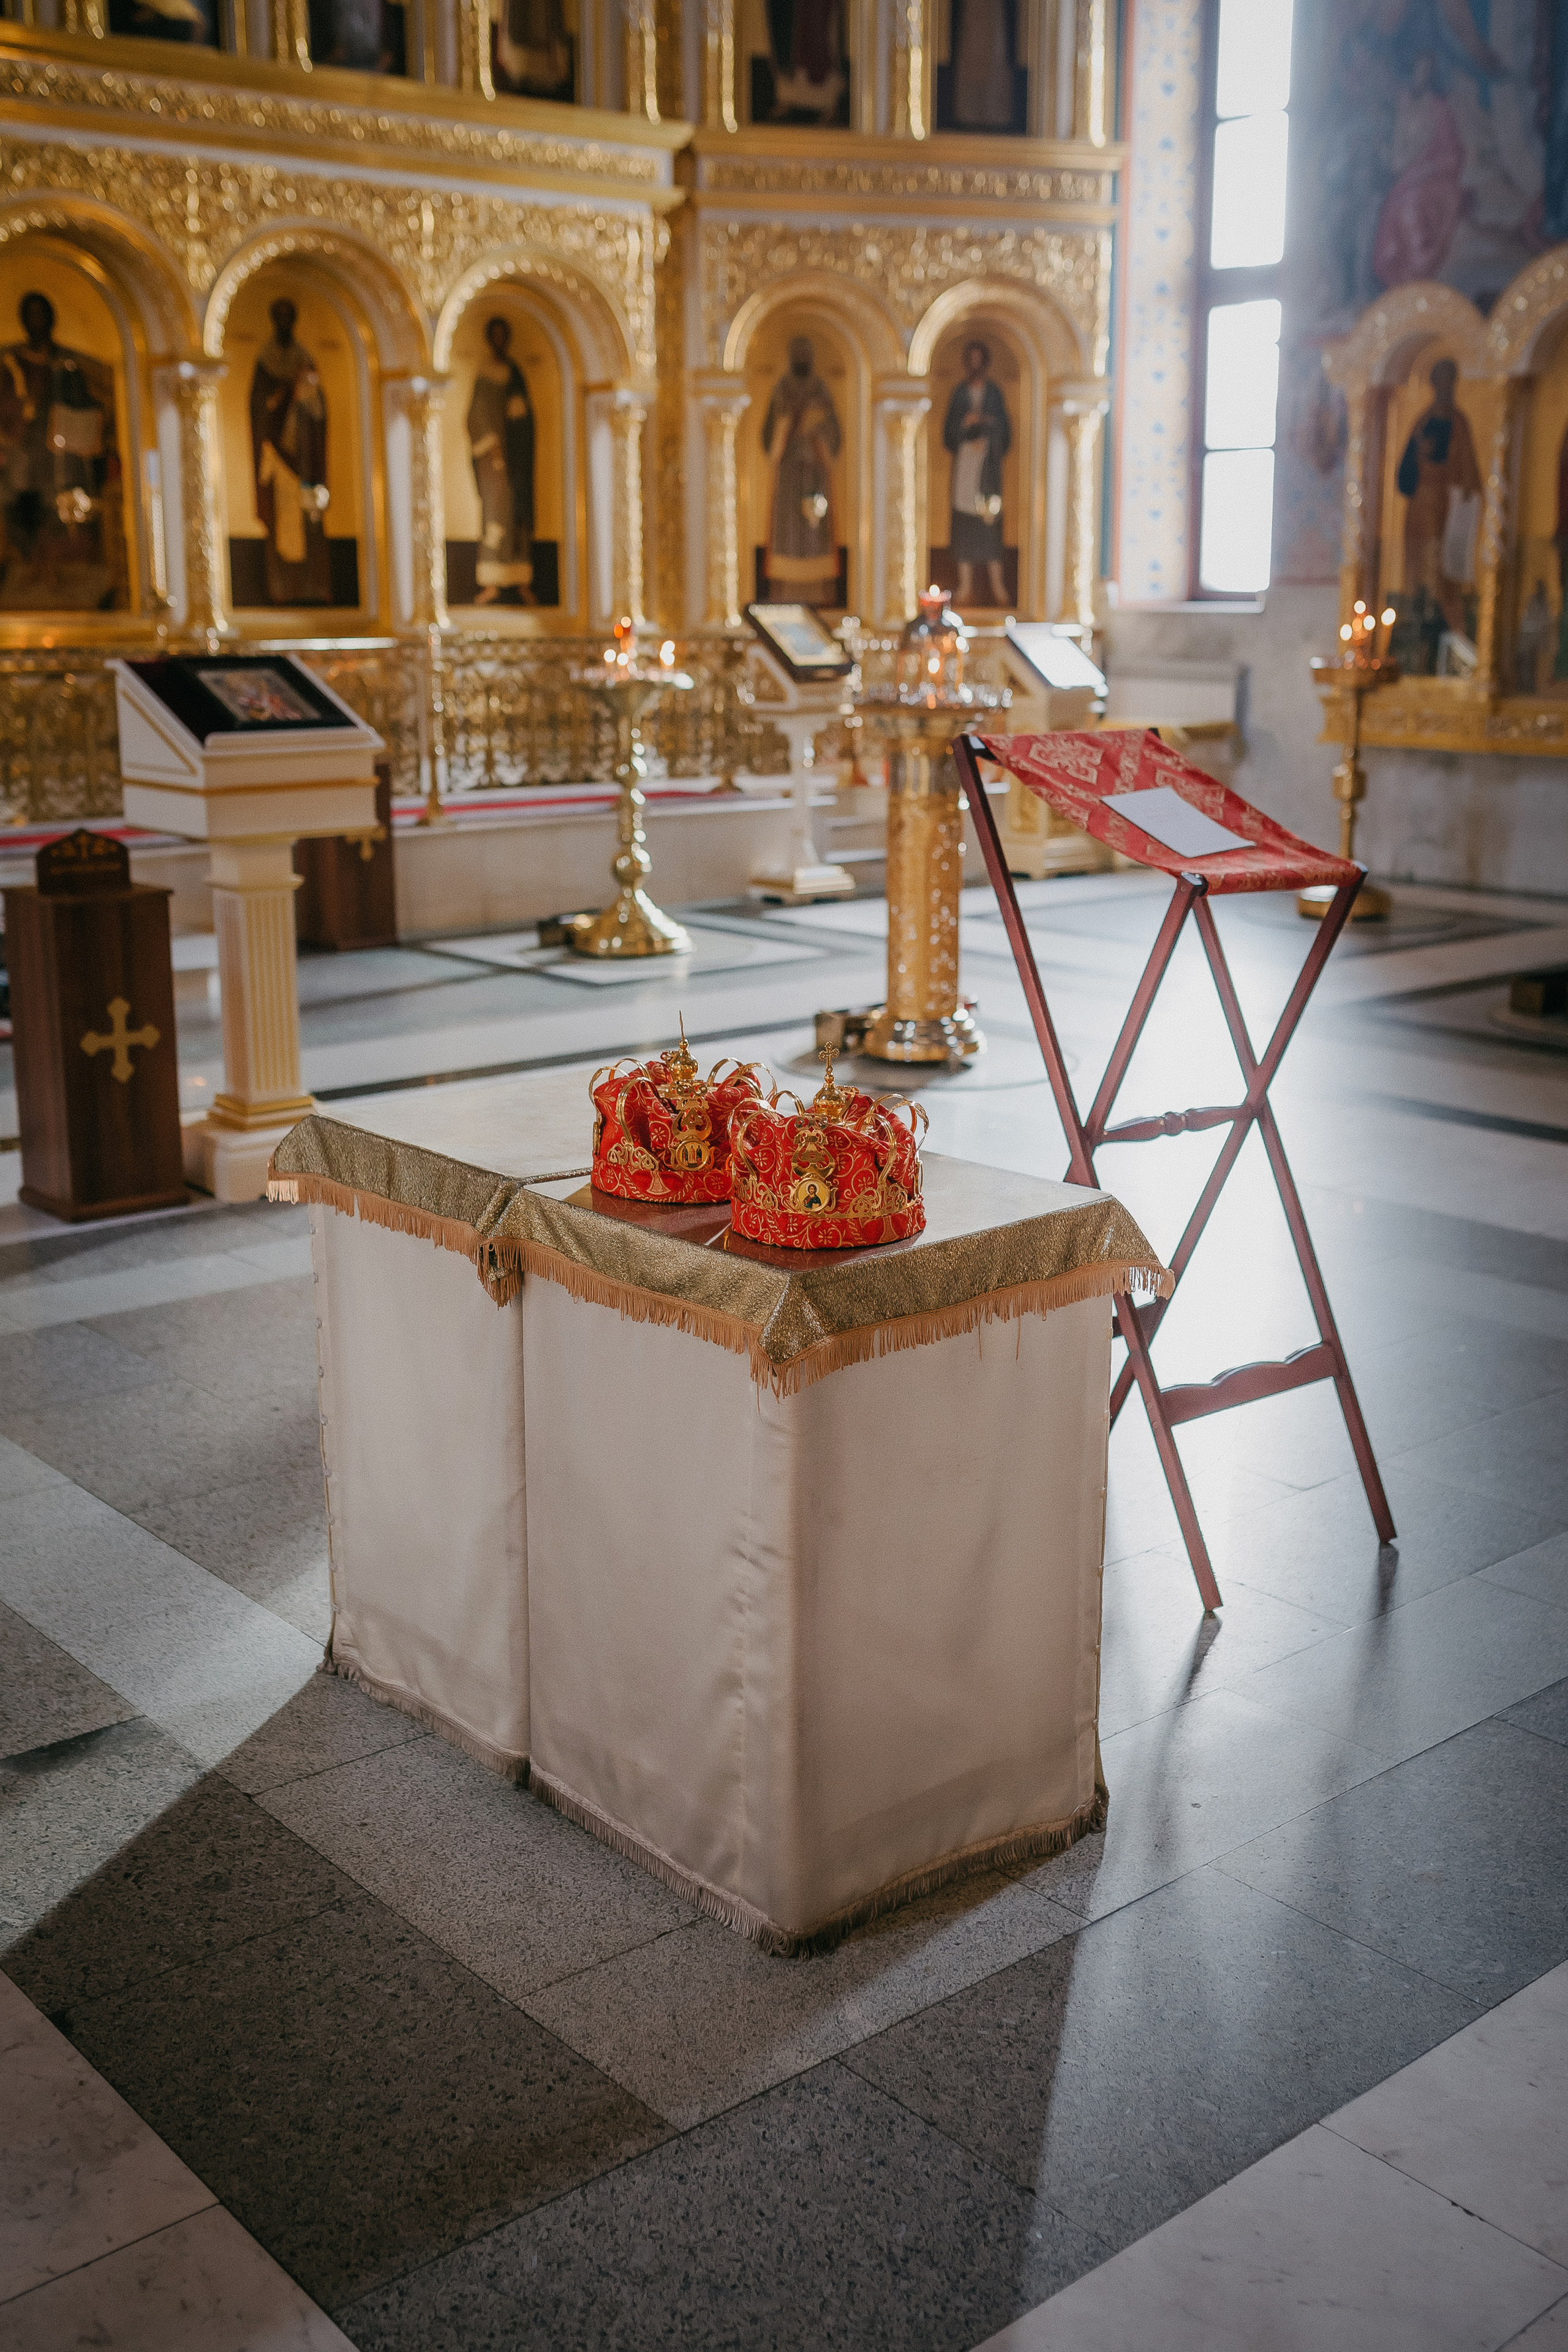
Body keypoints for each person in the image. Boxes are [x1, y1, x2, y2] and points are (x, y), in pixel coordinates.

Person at [0, 292, 123, 612]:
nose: (37, 321)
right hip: (25, 451)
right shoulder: (9, 362)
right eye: (32, 314)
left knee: (67, 508)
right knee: (22, 502)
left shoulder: (68, 362)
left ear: (51, 319)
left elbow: (86, 403)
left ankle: (60, 572)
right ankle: (31, 568)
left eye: (43, 314)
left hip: (64, 453)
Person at [249, 297, 331, 606]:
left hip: (307, 467)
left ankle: (313, 588)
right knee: (281, 525)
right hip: (279, 461)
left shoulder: (304, 359)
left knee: (311, 525)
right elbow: (259, 407)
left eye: (289, 317)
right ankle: (282, 590)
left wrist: (306, 395)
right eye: (279, 317)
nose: (284, 323)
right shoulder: (265, 361)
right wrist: (283, 394)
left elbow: (319, 415)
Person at [1395, 356, 1480, 639]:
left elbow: (1471, 476)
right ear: (1434, 384)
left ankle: (1453, 630)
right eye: (1442, 381)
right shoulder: (1423, 423)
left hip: (1450, 511)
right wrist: (1421, 458)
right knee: (1421, 573)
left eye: (1451, 381)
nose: (1447, 387)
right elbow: (1405, 477)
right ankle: (1420, 629)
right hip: (1421, 512)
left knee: (1447, 574)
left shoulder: (1460, 424)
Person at [761, 337, 842, 607]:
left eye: (807, 353)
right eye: (798, 354)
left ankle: (819, 596)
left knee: (815, 526)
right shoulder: (782, 389)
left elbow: (833, 430)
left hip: (815, 471)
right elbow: (770, 434)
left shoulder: (820, 389)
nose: (803, 358)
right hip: (789, 474)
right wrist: (789, 427)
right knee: (788, 530)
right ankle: (784, 594)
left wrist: (816, 434)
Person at [466, 317, 536, 606]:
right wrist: (493, 445)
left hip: (516, 458)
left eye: (502, 335)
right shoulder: (485, 373)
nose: (498, 340)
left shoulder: (514, 372)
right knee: (495, 515)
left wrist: (515, 443)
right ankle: (493, 582)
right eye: (493, 335)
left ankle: (520, 580)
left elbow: (523, 416)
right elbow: (475, 416)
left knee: (518, 515)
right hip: (492, 460)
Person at [943, 338, 1011, 609]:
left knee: (990, 521)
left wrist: (988, 433)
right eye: (970, 360)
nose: (975, 365)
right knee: (965, 522)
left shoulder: (994, 394)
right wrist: (965, 426)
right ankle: (966, 585)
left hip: (989, 467)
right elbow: (948, 434)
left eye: (978, 360)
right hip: (966, 466)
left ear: (985, 362)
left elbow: (1005, 433)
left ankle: (998, 585)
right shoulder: (960, 393)